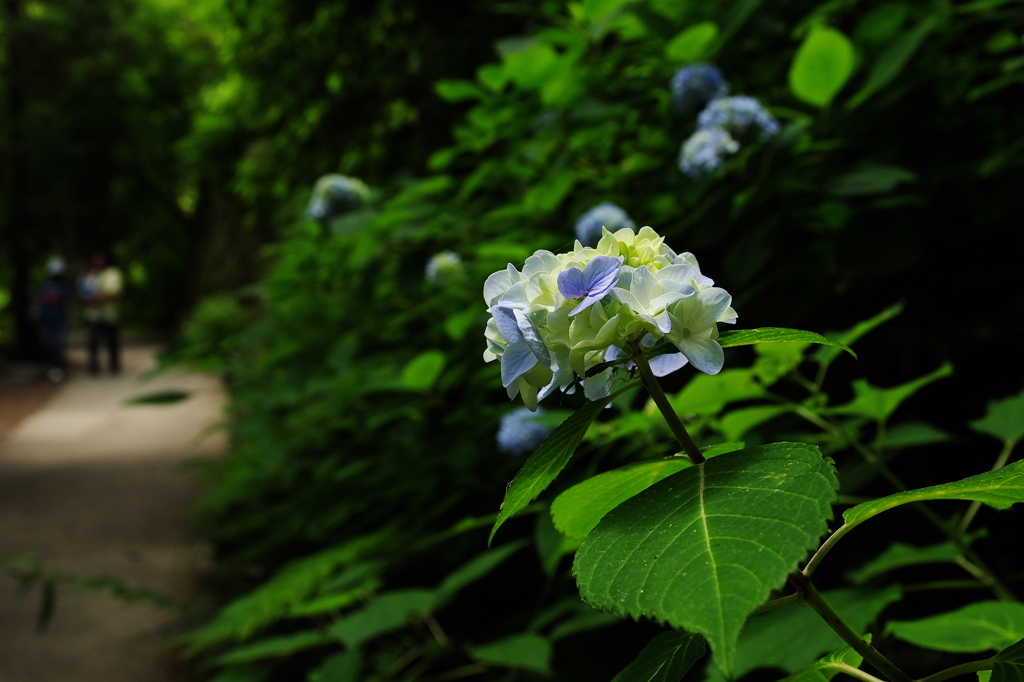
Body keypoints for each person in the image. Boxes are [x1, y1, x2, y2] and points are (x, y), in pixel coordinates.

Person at [79, 251, 123, 375]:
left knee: (112, 341)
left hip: (110, 314)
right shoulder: (89, 274)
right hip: (93, 315)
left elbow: (113, 292)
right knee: (93, 341)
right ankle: (94, 365)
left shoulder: (113, 273)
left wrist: (98, 300)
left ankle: (114, 365)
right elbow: (83, 290)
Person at [32, 257, 74, 382]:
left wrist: (69, 318)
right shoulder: (44, 284)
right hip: (46, 319)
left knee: (57, 343)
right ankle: (52, 367)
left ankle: (58, 368)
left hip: (59, 319)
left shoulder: (65, 286)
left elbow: (69, 304)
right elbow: (38, 301)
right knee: (47, 343)